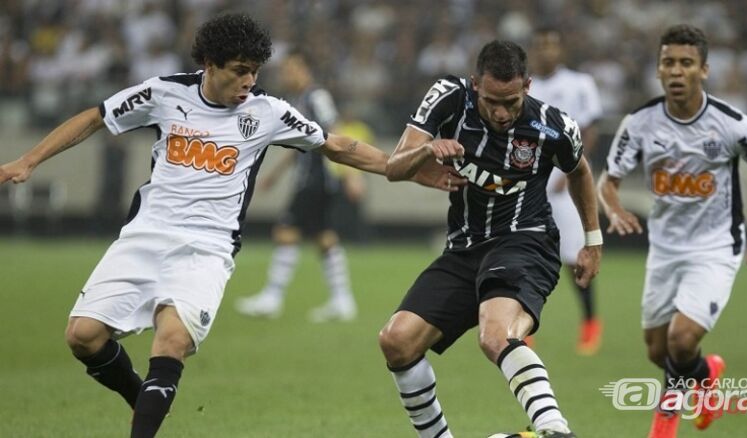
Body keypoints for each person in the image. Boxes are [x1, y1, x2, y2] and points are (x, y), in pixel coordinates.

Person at [0, 13, 460, 438]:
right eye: (240, 70)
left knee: (173, 339)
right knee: (82, 337)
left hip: (208, 246)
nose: (249, 81)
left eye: (255, 71)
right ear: (209, 63)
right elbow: (96, 118)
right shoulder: (164, 93)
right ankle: (142, 398)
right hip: (145, 233)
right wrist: (29, 160)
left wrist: (409, 168)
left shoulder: (268, 112)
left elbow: (337, 145)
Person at [379, 40, 602, 438]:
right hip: (464, 247)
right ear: (474, 84)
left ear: (528, 87)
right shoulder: (448, 99)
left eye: (511, 102)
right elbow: (395, 167)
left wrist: (592, 239)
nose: (501, 113)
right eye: (491, 101)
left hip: (525, 241)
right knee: (397, 341)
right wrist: (428, 149)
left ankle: (555, 429)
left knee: (496, 335)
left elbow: (580, 172)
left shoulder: (552, 125)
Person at [597, 24, 747, 438]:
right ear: (658, 71)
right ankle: (707, 373)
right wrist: (615, 208)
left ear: (704, 70)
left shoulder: (733, 126)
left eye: (686, 63)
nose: (676, 71)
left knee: (680, 340)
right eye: (668, 63)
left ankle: (665, 418)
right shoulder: (640, 123)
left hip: (716, 248)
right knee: (658, 352)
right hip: (664, 250)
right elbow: (607, 180)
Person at [235, 50, 358, 322]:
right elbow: (299, 145)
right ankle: (342, 300)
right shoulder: (296, 101)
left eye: (292, 68)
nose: (286, 74)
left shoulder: (317, 97)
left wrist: (351, 175)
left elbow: (336, 133)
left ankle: (272, 297)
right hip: (311, 179)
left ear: (306, 70)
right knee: (324, 237)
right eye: (284, 69)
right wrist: (276, 174)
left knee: (285, 231)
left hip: (318, 179)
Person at [530, 26, 604, 355]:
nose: (547, 51)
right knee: (524, 251)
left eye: (552, 45)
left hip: (565, 183)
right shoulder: (524, 85)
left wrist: (571, 169)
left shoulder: (579, 84)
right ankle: (523, 326)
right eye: (541, 45)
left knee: (574, 257)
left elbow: (590, 129)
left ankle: (590, 323)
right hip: (529, 181)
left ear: (561, 50)